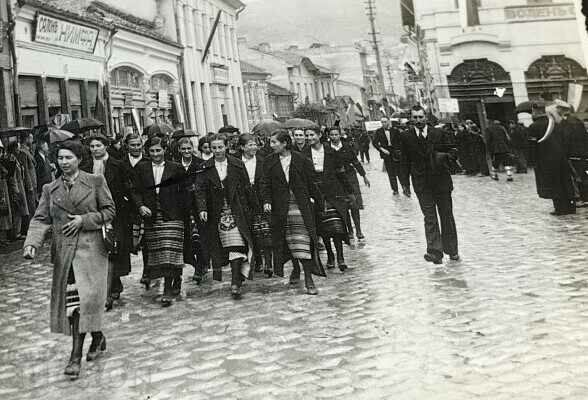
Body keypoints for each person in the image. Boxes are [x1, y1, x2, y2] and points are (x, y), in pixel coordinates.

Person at [23, 140, 115, 378]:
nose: (64, 162)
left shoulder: (95, 181)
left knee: (86, 302)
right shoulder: (50, 189)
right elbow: (41, 218)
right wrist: (32, 243)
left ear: (79, 160)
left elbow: (109, 211)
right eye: (60, 158)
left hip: (92, 251)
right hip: (65, 253)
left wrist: (83, 220)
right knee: (75, 306)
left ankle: (75, 358)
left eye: (69, 158)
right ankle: (97, 336)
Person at [261, 130, 326, 295]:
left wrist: (319, 201)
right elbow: (265, 184)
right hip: (280, 208)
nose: (271, 145)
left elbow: (312, 183)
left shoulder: (301, 159)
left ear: (284, 143)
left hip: (300, 205)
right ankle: (295, 269)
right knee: (288, 241)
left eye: (274, 142)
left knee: (302, 240)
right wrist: (267, 201)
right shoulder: (269, 162)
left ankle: (309, 279)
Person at [195, 134, 257, 300]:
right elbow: (199, 190)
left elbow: (246, 188)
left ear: (226, 147)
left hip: (237, 211)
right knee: (226, 247)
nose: (217, 151)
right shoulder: (205, 167)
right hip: (217, 213)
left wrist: (252, 209)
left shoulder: (237, 164)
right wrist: (202, 208)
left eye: (220, 147)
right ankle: (236, 278)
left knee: (237, 244)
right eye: (213, 148)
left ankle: (235, 282)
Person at [132, 136, 188, 306]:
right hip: (152, 216)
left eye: (158, 150)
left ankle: (168, 289)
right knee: (160, 254)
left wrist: (182, 213)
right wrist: (140, 206)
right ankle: (174, 278)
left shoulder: (176, 168)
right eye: (152, 151)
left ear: (165, 150)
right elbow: (135, 190)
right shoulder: (141, 168)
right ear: (147, 152)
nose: (155, 154)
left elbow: (185, 191)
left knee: (172, 251)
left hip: (173, 216)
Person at [401, 105, 460, 264]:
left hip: (441, 182)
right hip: (421, 184)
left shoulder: (438, 133)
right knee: (429, 217)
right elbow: (404, 161)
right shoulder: (406, 137)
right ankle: (435, 252)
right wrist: (405, 184)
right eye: (415, 117)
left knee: (446, 216)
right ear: (411, 118)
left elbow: (453, 151)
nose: (418, 120)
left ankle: (452, 250)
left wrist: (443, 157)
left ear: (426, 117)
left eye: (421, 117)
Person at [82, 134, 132, 311]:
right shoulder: (85, 167)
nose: (95, 149)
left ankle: (107, 294)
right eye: (92, 146)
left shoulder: (118, 166)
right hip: (93, 214)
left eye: (98, 145)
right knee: (99, 251)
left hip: (115, 214)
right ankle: (113, 284)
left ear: (106, 146)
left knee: (112, 250)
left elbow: (128, 188)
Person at [304, 129, 352, 271]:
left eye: (312, 135)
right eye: (307, 136)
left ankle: (340, 257)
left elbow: (341, 173)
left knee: (337, 226)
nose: (309, 138)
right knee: (323, 227)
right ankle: (330, 255)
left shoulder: (331, 152)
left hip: (333, 192)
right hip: (316, 193)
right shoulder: (304, 154)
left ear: (319, 135)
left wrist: (349, 192)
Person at [528, 101, 577, 215]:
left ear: (535, 111)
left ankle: (560, 208)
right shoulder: (556, 123)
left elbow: (532, 146)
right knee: (565, 182)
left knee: (553, 184)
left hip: (545, 160)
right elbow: (565, 140)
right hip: (561, 157)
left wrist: (532, 161)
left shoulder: (533, 126)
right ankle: (571, 207)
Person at [240, 133, 273, 277]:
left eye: (255, 144)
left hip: (260, 197)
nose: (254, 147)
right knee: (251, 230)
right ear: (242, 147)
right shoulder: (237, 162)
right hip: (245, 200)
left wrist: (267, 201)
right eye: (250, 145)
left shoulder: (262, 161)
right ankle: (258, 260)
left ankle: (269, 262)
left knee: (265, 229)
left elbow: (266, 182)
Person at [328, 127, 370, 240]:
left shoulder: (347, 146)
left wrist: (364, 175)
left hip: (350, 177)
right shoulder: (327, 149)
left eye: (336, 134)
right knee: (343, 204)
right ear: (329, 136)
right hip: (337, 180)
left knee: (354, 204)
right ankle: (349, 230)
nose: (334, 137)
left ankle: (359, 230)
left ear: (340, 135)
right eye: (331, 135)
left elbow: (355, 161)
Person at [177, 137, 209, 283]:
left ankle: (201, 265)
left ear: (193, 148)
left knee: (199, 237)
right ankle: (195, 264)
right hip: (182, 206)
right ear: (179, 150)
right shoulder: (175, 165)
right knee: (186, 238)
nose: (186, 151)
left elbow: (202, 186)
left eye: (188, 148)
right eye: (183, 149)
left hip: (197, 206)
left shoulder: (199, 164)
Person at [123, 133, 151, 289]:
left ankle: (147, 271)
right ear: (127, 146)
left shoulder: (148, 161)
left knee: (147, 238)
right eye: (132, 145)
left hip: (145, 205)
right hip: (127, 207)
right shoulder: (122, 163)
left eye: (138, 145)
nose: (135, 148)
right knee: (129, 240)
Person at [373, 117, 410, 196]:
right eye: (382, 122)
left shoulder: (395, 130)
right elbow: (375, 143)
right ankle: (395, 190)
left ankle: (404, 188)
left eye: (385, 122)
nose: (383, 124)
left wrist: (399, 150)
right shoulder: (378, 132)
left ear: (388, 122)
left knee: (400, 172)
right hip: (386, 154)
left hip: (396, 154)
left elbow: (401, 141)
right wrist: (382, 149)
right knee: (391, 173)